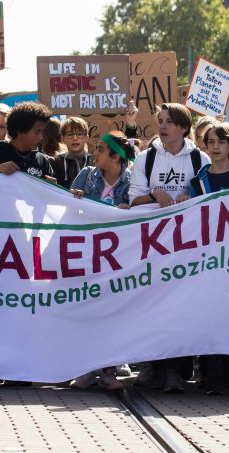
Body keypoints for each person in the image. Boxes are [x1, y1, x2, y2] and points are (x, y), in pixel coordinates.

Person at [129, 103, 209, 393]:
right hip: (152, 244)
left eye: (168, 122)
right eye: (159, 121)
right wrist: (154, 194)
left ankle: (176, 369)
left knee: (181, 306)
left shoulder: (200, 159)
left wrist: (192, 196)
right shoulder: (145, 159)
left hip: (187, 246)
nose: (162, 127)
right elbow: (132, 201)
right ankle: (152, 365)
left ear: (184, 127)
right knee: (151, 304)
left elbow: (209, 198)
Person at [67, 132, 135, 391]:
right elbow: (69, 209)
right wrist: (73, 198)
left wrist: (132, 208)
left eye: (101, 150)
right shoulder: (86, 176)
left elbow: (139, 210)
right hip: (87, 256)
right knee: (87, 312)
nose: (94, 154)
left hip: (117, 260)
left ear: (115, 156)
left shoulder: (131, 181)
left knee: (111, 315)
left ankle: (107, 372)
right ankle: (85, 370)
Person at [189, 122, 229, 395]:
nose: (215, 147)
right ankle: (213, 376)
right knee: (208, 315)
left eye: (221, 142)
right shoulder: (197, 181)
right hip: (207, 258)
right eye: (210, 142)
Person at [0, 102, 53, 181]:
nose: (41, 137)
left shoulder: (42, 160)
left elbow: (53, 189)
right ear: (20, 131)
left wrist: (53, 185)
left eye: (42, 132)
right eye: (37, 132)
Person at [51, 117, 94, 189]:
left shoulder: (94, 161)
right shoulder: (56, 161)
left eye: (79, 134)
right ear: (63, 139)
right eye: (70, 134)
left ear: (86, 138)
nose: (75, 138)